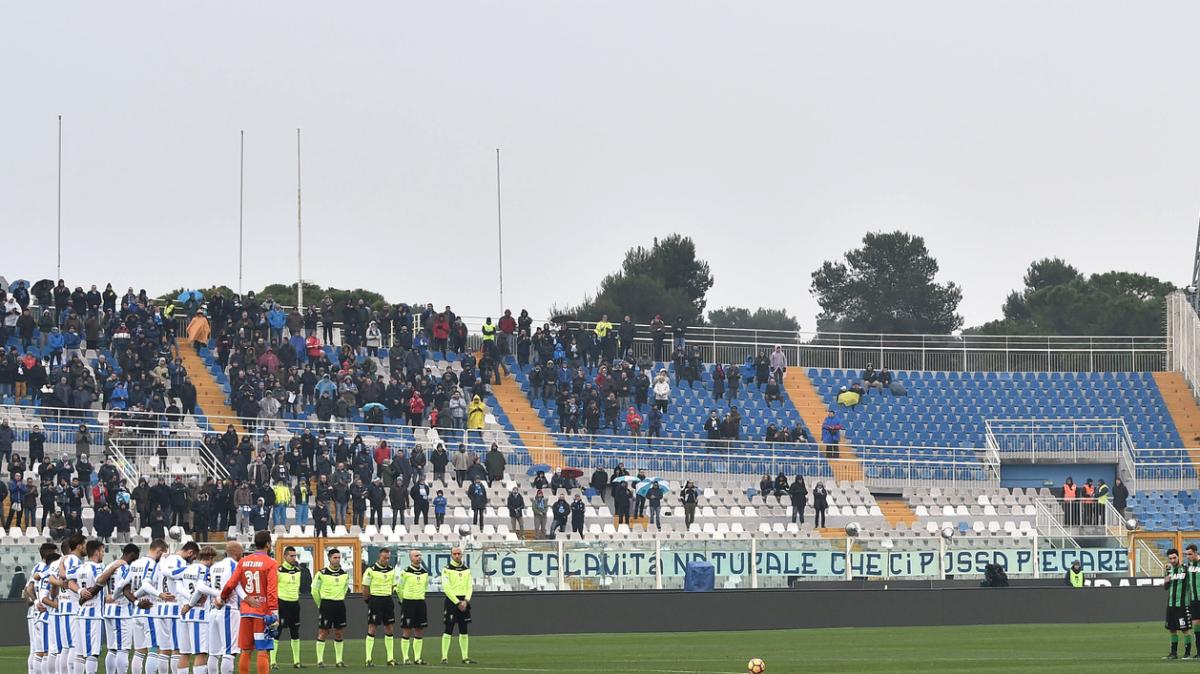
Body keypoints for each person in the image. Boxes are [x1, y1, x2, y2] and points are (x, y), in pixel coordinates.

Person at [219, 530, 279, 674]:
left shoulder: (243, 561)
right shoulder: (271, 563)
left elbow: (231, 584)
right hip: (262, 611)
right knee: (262, 650)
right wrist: (274, 612)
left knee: (245, 650)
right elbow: (271, 590)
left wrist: (222, 597)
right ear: (268, 544)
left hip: (245, 612)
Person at [207, 540, 243, 674]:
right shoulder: (235, 565)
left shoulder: (214, 566)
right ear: (236, 552)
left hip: (213, 610)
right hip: (229, 609)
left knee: (214, 652)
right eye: (241, 552)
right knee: (229, 652)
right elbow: (233, 585)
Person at [313, 547, 350, 668]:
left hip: (339, 605)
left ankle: (339, 661)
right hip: (326, 605)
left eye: (339, 557)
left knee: (339, 632)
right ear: (329, 558)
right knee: (323, 632)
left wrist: (340, 597)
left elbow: (345, 589)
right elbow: (314, 590)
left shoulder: (344, 574)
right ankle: (319, 661)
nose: (337, 560)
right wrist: (320, 604)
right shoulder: (321, 573)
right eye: (335, 557)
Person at [440, 546, 477, 665]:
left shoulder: (466, 569)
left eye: (459, 554)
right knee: (448, 629)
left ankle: (465, 657)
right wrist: (457, 602)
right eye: (455, 554)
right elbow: (446, 588)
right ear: (451, 555)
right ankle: (444, 657)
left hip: (464, 601)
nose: (457, 556)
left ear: (462, 555)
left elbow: (469, 586)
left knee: (464, 629)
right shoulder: (446, 569)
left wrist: (466, 600)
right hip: (452, 601)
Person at [362, 547, 397, 666]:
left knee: (389, 628)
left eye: (388, 558)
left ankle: (390, 658)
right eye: (384, 558)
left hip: (387, 599)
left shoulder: (391, 570)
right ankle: (368, 658)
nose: (386, 560)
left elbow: (393, 586)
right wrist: (368, 600)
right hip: (375, 599)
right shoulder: (370, 570)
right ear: (379, 557)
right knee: (372, 627)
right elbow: (365, 588)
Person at [396, 549, 431, 665]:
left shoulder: (425, 573)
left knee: (419, 630)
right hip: (408, 603)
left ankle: (417, 658)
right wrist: (403, 601)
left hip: (420, 603)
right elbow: (399, 588)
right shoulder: (405, 572)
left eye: (420, 555)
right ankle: (406, 658)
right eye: (416, 556)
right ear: (411, 558)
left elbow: (425, 588)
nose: (419, 557)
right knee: (407, 630)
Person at [272, 545, 304, 668]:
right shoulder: (278, 571)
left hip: (295, 604)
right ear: (285, 556)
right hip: (282, 604)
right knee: (277, 632)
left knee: (295, 632)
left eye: (295, 555)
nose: (293, 558)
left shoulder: (298, 571)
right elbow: (273, 588)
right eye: (291, 556)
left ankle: (297, 661)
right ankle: (273, 662)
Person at [1165, 548, 1193, 659]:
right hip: (1171, 605)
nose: (1172, 560)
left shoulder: (1186, 569)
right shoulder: (1168, 570)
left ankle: (1187, 653)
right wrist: (1166, 580)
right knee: (1172, 629)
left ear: (1178, 557)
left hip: (1182, 605)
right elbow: (1166, 587)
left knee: (1185, 629)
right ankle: (1173, 653)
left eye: (1174, 558)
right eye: (1170, 558)